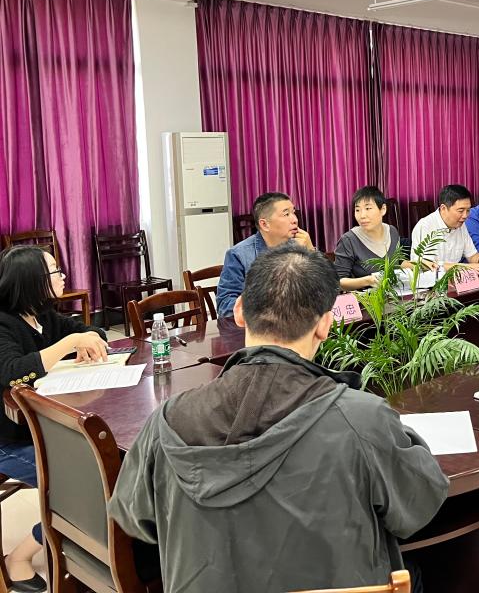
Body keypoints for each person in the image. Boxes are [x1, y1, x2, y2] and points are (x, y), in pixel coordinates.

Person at [109, 246, 449, 593]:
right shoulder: (362, 419)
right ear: (325, 325)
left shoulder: (167, 420)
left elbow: (135, 519)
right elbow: (419, 506)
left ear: (239, 311)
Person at [0, 246, 108, 593]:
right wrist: (70, 343)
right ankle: (20, 557)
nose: (63, 277)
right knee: (82, 480)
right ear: (32, 280)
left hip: (46, 429)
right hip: (10, 440)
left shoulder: (44, 316)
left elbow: (89, 331)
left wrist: (89, 338)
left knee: (106, 469)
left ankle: (92, 548)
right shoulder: (4, 323)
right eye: (54, 271)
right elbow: (11, 373)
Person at [216, 192, 314, 319]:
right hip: (261, 328)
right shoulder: (239, 255)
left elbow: (329, 289)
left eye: (293, 212)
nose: (295, 220)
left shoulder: (299, 246)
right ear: (264, 224)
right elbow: (225, 306)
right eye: (286, 214)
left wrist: (311, 251)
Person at [333, 186, 413, 290]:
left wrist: (419, 264)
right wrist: (368, 280)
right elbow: (338, 281)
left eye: (368, 208)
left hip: (396, 294)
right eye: (357, 210)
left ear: (383, 209)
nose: (362, 215)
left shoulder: (392, 231)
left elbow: (396, 262)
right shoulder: (348, 240)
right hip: (367, 298)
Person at [409, 184, 479, 272]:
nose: (465, 216)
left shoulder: (460, 224)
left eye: (468, 210)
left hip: (454, 277)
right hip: (430, 279)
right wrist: (468, 267)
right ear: (443, 208)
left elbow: (472, 255)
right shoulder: (426, 226)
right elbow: (428, 265)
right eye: (460, 211)